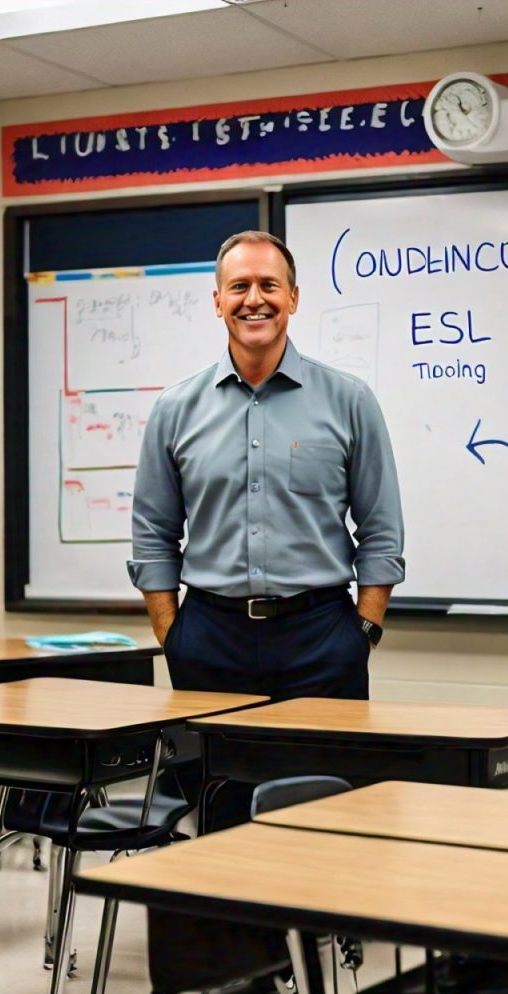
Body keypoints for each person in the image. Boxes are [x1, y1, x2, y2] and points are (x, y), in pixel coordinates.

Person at [128, 229, 405, 701]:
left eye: (269, 285)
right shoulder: (175, 409)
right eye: (239, 286)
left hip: (322, 641)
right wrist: (171, 634)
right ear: (218, 301)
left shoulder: (349, 400)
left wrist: (363, 633)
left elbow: (381, 529)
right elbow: (153, 532)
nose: (254, 300)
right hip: (208, 642)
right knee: (208, 777)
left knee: (329, 777)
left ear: (293, 298)